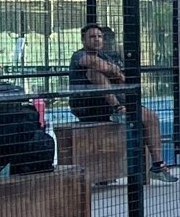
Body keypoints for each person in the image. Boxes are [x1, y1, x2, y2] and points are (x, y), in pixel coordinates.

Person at [68, 24, 173, 180]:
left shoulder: (106, 56)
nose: (97, 39)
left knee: (151, 117)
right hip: (88, 106)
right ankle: (118, 109)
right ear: (83, 40)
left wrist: (111, 70)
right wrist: (111, 70)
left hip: (108, 104)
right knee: (94, 72)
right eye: (92, 36)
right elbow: (95, 65)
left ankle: (158, 165)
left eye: (99, 36)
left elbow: (122, 78)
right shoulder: (78, 55)